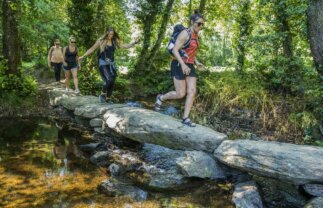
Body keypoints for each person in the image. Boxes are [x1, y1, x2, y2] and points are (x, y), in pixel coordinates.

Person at [154, 10, 205, 127]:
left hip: (190, 65)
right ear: (192, 22)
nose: (201, 26)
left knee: (192, 91)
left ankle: (185, 118)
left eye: (202, 24)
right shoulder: (185, 34)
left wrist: (197, 62)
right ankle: (161, 98)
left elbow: (190, 52)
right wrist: (183, 64)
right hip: (178, 64)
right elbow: (175, 50)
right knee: (180, 93)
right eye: (199, 23)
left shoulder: (196, 36)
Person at [79, 27, 140, 103]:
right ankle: (102, 94)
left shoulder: (114, 41)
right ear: (106, 32)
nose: (111, 35)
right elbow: (92, 49)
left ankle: (108, 98)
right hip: (103, 63)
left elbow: (124, 46)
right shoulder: (101, 40)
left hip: (111, 63)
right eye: (109, 34)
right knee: (109, 79)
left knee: (113, 79)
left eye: (112, 34)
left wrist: (134, 42)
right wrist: (83, 56)